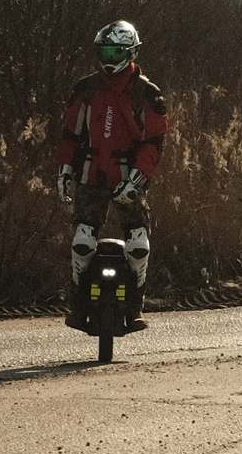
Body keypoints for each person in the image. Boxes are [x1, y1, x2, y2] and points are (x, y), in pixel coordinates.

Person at [53, 20, 170, 330]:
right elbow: (70, 134)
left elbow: (154, 142)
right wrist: (65, 169)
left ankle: (135, 306)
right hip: (91, 173)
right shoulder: (86, 89)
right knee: (82, 241)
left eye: (116, 52)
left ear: (130, 52)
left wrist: (137, 179)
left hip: (128, 176)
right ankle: (77, 305)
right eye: (105, 51)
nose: (109, 58)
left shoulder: (147, 93)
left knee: (138, 244)